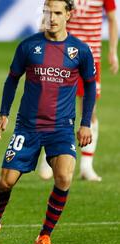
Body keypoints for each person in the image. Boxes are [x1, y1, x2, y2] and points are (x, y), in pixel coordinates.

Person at [0, 0, 96, 244]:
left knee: (64, 176)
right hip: (27, 128)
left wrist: (86, 124)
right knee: (6, 181)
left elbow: (90, 87)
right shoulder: (29, 46)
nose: (51, 17)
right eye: (47, 12)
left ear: (69, 15)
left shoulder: (80, 51)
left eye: (57, 13)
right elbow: (12, 80)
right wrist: (3, 114)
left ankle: (44, 235)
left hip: (61, 128)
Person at [39, 0, 118, 181]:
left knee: (90, 112)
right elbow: (49, 14)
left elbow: (112, 19)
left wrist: (113, 51)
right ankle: (47, 157)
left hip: (91, 57)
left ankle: (86, 166)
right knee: (54, 109)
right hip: (62, 56)